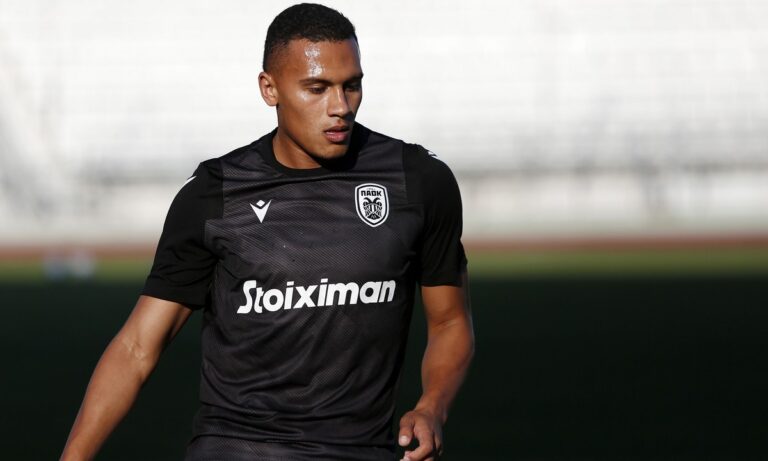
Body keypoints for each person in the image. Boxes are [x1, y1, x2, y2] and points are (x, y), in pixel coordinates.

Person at [60, 3, 474, 461]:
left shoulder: (416, 181)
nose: (340, 107)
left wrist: (432, 407)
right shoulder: (216, 194)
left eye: (351, 85)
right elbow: (137, 347)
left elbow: (450, 322)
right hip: (237, 449)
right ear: (269, 88)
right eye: (317, 88)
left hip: (363, 450)